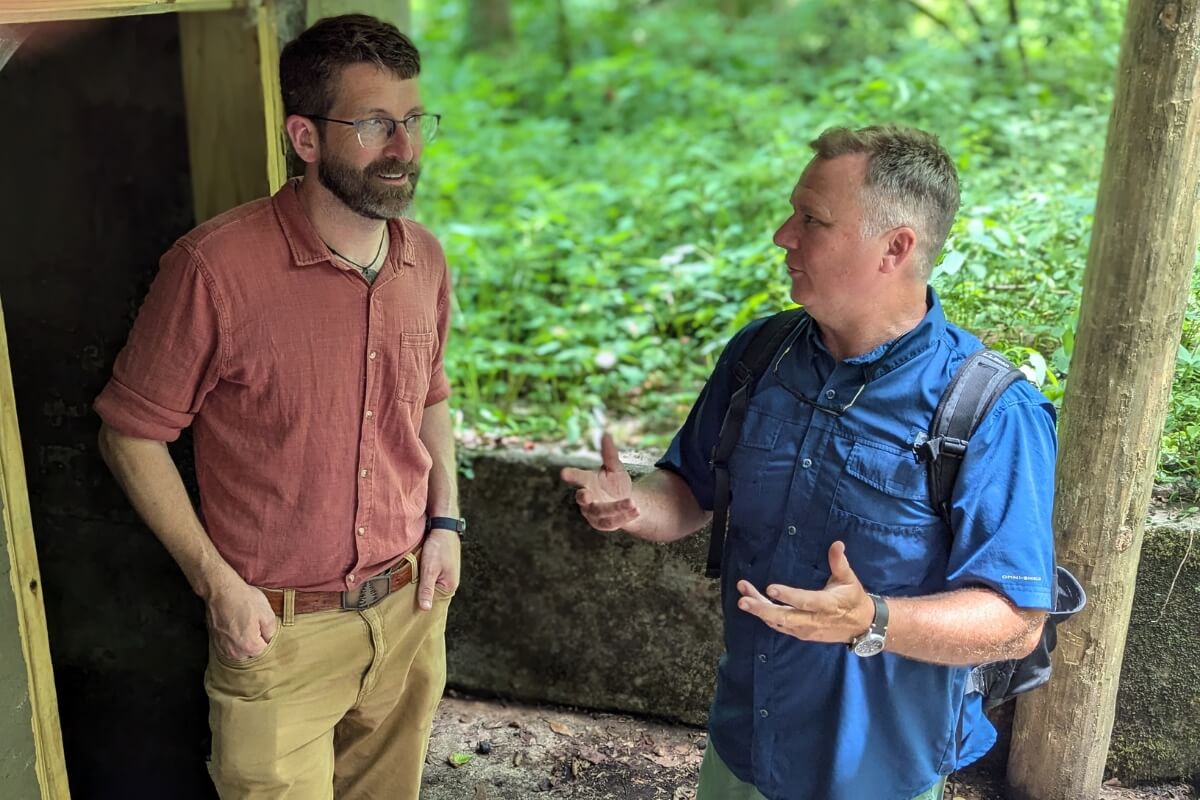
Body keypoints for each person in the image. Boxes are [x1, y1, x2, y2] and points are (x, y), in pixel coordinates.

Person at [561, 125, 1056, 800]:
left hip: (879, 773)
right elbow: (688, 491)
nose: (783, 236)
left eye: (812, 220)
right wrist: (634, 505)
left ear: (896, 247)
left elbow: (1015, 622)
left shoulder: (991, 411)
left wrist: (874, 620)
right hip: (742, 748)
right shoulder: (758, 356)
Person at [94, 14, 462, 799]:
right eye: (372, 125)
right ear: (304, 137)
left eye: (413, 121)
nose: (404, 149)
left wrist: (447, 524)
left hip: (410, 611)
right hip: (278, 634)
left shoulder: (424, 258)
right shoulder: (213, 270)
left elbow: (431, 393)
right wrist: (217, 585)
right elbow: (130, 434)